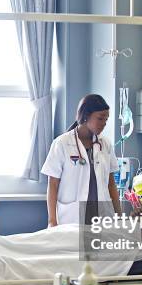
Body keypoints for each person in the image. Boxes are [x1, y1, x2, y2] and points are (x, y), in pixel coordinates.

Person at [41, 94, 121, 226]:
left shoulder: (105, 144)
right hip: (71, 217)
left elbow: (111, 184)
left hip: (102, 216)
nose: (104, 124)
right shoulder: (62, 143)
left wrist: (119, 216)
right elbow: (53, 185)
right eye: (100, 118)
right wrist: (52, 220)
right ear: (85, 116)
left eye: (106, 120)